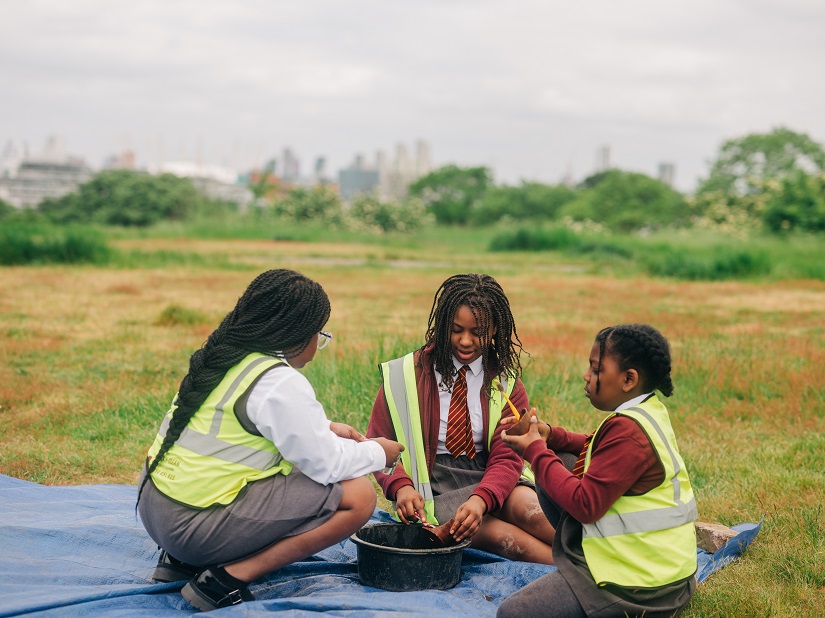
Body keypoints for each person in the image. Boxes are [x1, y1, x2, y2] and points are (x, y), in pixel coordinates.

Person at [136, 269, 404, 612]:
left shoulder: (220, 357)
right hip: (193, 528)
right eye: (320, 335)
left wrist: (324, 426)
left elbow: (231, 422)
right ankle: (225, 580)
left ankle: (180, 563)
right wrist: (378, 453)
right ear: (299, 333)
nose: (318, 344)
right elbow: (327, 465)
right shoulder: (279, 381)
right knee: (358, 496)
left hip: (156, 510)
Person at [497, 324, 697, 618]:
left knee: (513, 613)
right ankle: (577, 558)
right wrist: (549, 435)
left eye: (596, 369)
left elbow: (585, 505)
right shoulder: (644, 411)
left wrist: (534, 450)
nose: (586, 376)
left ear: (628, 379)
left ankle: (586, 581)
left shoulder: (628, 432)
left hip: (640, 588)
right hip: (661, 570)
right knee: (560, 459)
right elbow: (595, 447)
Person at [366, 273, 556, 564]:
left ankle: (600, 558)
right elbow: (378, 445)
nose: (465, 341)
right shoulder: (405, 377)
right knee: (503, 538)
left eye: (477, 332)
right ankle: (577, 573)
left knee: (534, 512)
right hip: (435, 486)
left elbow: (507, 459)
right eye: (456, 330)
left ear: (494, 329)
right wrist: (401, 487)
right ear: (443, 327)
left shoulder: (506, 384)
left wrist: (481, 500)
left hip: (493, 476)